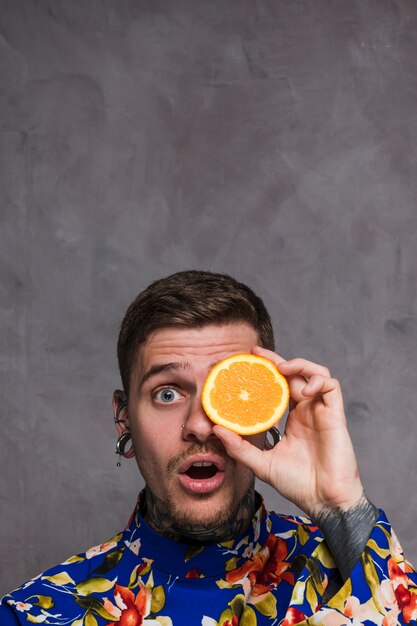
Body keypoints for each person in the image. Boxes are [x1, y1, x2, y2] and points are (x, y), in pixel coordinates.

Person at [1, 270, 416, 626]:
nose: (200, 426)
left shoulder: (349, 573)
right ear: (124, 417)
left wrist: (343, 507)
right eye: (167, 394)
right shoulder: (39, 613)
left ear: (267, 410)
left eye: (229, 391)